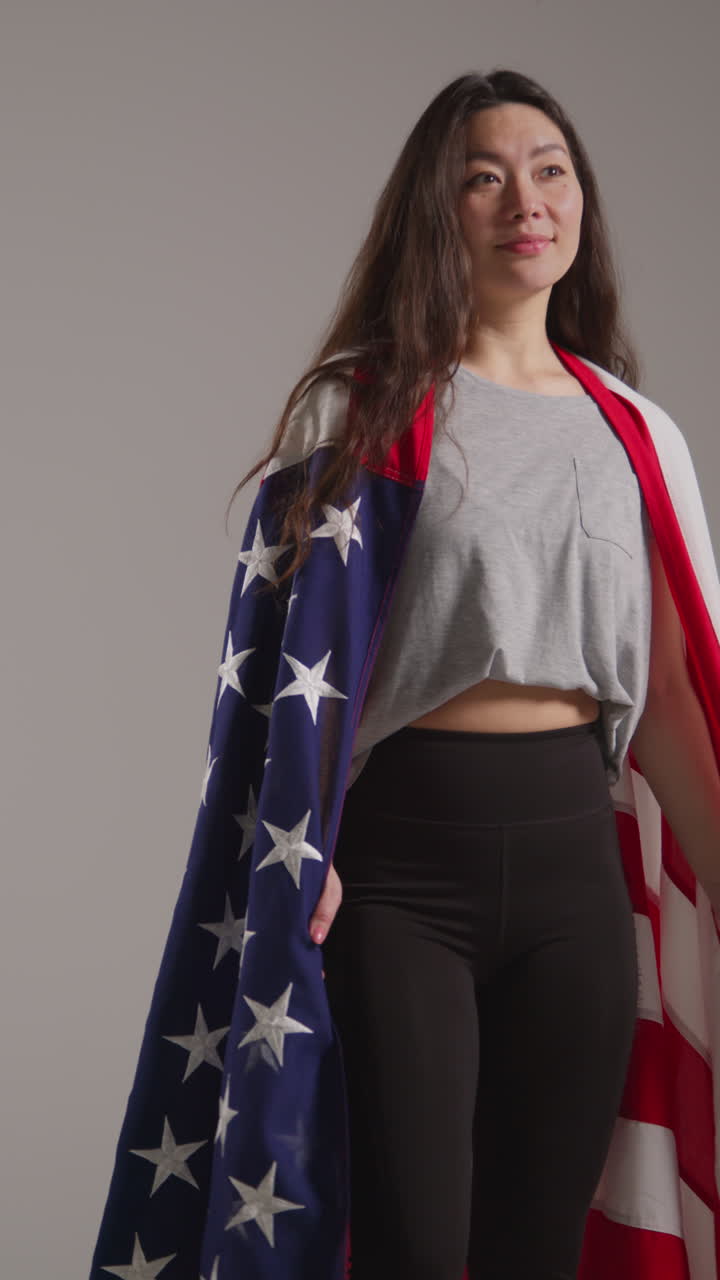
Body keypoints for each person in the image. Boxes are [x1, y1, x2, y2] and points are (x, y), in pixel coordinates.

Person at [90, 71, 720, 1280]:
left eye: (550, 169)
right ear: (439, 206)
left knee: (534, 1251)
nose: (525, 201)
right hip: (398, 879)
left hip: (570, 881)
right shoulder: (361, 412)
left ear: (580, 197)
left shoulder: (635, 431)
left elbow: (674, 701)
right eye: (486, 175)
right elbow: (278, 681)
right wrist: (304, 843)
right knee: (412, 1248)